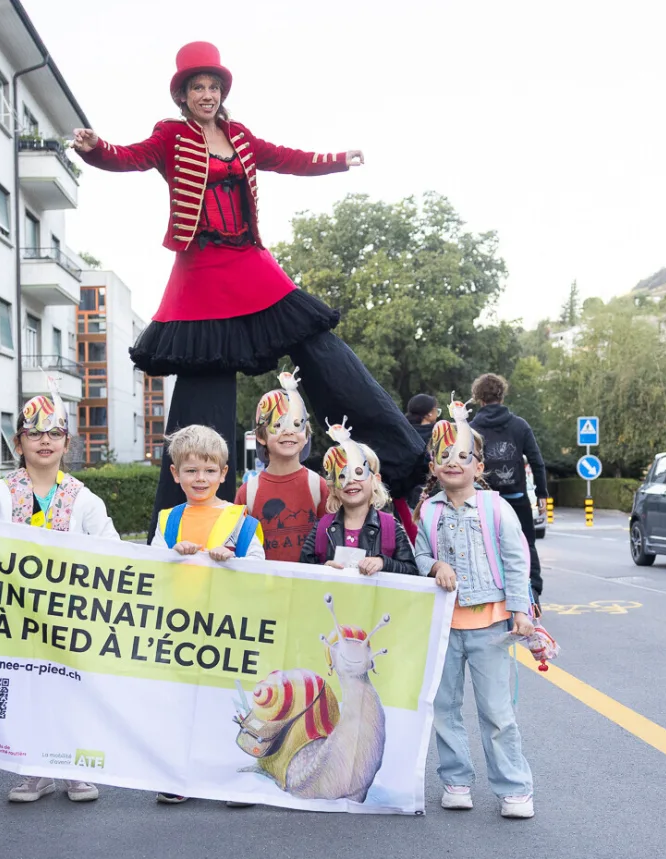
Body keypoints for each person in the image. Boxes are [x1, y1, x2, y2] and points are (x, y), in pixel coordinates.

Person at [72, 41, 427, 539]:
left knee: (321, 348)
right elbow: (125, 157)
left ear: (222, 92)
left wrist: (337, 158)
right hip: (200, 271)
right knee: (204, 387)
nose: (207, 94)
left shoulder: (238, 134)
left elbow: (285, 157)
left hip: (249, 261)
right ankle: (190, 526)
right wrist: (94, 148)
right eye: (198, 87)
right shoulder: (170, 136)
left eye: (213, 87)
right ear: (183, 94)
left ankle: (392, 454)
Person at [0, 384, 120, 804]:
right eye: (35, 433)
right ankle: (33, 770)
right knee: (23, 689)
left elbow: (111, 548)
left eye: (54, 433)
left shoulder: (83, 499)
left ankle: (71, 768)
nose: (45, 441)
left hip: (69, 617)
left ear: (67, 441)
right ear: (19, 443)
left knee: (71, 689)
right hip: (16, 618)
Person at [412, 403, 536, 818]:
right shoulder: (428, 512)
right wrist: (435, 565)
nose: (452, 463)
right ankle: (456, 781)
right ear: (433, 464)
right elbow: (420, 553)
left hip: (490, 626)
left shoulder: (495, 508)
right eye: (443, 456)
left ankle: (514, 788)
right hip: (445, 627)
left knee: (497, 711)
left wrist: (520, 609)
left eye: (462, 456)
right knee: (444, 708)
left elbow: (517, 559)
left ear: (479, 465)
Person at [149, 424, 264, 805]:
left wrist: (236, 563)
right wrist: (169, 555)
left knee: (230, 703)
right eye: (192, 470)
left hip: (228, 629)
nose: (201, 478)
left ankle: (234, 777)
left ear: (223, 473)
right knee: (178, 703)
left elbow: (261, 575)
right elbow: (149, 571)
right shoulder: (167, 522)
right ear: (175, 474)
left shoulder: (245, 522)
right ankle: (179, 776)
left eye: (210, 470)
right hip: (179, 628)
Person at [234, 372, 329, 562]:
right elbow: (235, 545)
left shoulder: (318, 486)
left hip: (309, 588)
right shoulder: (248, 492)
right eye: (277, 425)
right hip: (263, 588)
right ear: (261, 437)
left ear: (306, 434)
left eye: (296, 425)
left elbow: (333, 539)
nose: (288, 432)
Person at [468, 373, 548, 598]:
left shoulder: (472, 428)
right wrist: (542, 494)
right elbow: (536, 461)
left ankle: (493, 593)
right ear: (501, 395)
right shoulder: (520, 425)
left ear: (478, 397)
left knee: (486, 547)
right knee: (526, 545)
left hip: (484, 500)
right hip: (516, 498)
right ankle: (532, 592)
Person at [299, 424, 417, 576]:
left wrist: (383, 562)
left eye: (359, 472)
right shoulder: (321, 528)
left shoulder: (391, 527)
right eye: (341, 476)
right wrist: (324, 568)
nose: (350, 481)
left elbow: (411, 571)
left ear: (375, 480)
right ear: (333, 487)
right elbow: (303, 569)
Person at [403, 394, 439, 512]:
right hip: (434, 493)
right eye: (436, 410)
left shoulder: (403, 433)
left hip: (406, 496)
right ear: (429, 413)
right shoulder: (438, 434)